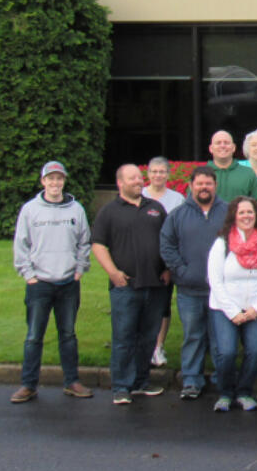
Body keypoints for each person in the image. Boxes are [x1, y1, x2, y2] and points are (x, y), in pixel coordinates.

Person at [11, 160, 93, 403]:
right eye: (51, 179)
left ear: (64, 181)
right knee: (34, 336)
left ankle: (72, 382)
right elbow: (21, 244)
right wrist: (29, 275)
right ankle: (28, 385)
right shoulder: (30, 210)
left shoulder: (76, 209)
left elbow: (84, 241)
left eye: (59, 179)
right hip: (40, 284)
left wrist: (80, 269)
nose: (55, 183)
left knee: (68, 334)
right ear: (43, 181)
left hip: (68, 282)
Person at [92, 164, 171, 405]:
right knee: (124, 336)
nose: (138, 181)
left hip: (156, 285)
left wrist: (168, 268)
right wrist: (113, 272)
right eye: (132, 178)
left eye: (139, 177)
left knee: (148, 336)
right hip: (125, 287)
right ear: (120, 183)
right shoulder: (109, 212)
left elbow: (168, 240)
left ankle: (140, 382)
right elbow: (98, 245)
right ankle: (121, 386)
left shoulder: (156, 209)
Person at [159, 165, 227, 400]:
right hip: (189, 289)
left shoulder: (228, 212)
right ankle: (191, 380)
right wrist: (181, 271)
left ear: (215, 186)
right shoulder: (178, 214)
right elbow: (166, 245)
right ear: (191, 186)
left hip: (221, 292)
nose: (204, 187)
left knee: (221, 338)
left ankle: (223, 379)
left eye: (208, 183)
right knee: (193, 336)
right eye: (199, 183)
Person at [206, 196, 257, 412]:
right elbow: (215, 280)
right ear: (234, 216)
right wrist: (233, 311)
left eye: (250, 212)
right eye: (242, 212)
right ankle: (226, 393)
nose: (246, 216)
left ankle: (245, 392)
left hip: (255, 308)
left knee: (255, 350)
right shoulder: (222, 243)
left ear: (256, 215)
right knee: (226, 352)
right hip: (225, 308)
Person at [143, 156, 185, 367]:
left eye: (162, 172)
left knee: (162, 305)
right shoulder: (139, 195)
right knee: (142, 304)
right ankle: (142, 346)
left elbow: (180, 233)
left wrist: (170, 266)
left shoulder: (177, 199)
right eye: (154, 171)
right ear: (148, 174)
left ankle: (158, 346)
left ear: (168, 175)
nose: (158, 175)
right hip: (142, 260)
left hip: (166, 260)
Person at [208, 130, 257, 202]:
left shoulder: (248, 173)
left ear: (233, 147)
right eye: (218, 143)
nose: (222, 146)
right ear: (211, 148)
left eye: (226, 143)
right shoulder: (201, 175)